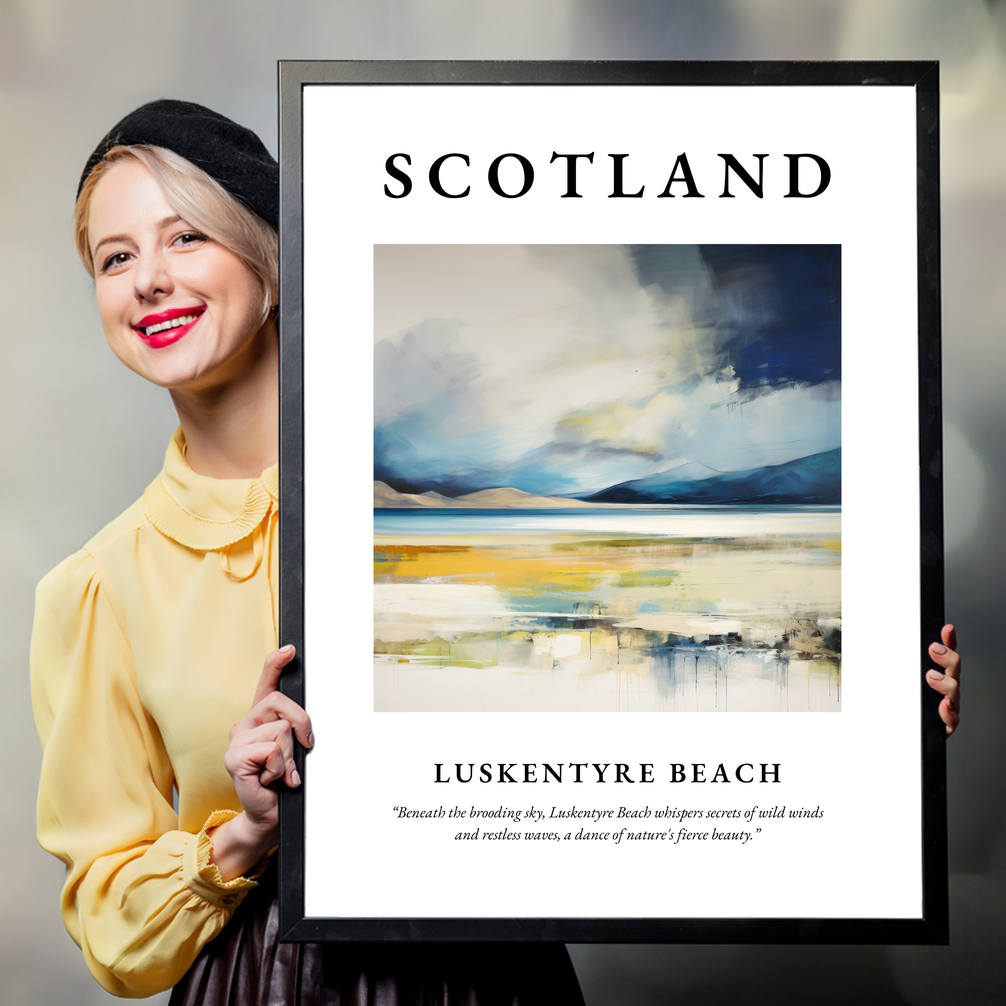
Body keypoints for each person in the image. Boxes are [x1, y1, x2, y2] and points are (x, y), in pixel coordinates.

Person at [30, 100, 585, 1004]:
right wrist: (246, 833)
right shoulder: (97, 586)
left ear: (273, 263)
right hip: (263, 981)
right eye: (115, 258)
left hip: (490, 972)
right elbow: (111, 925)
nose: (149, 281)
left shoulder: (445, 511)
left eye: (186, 237)